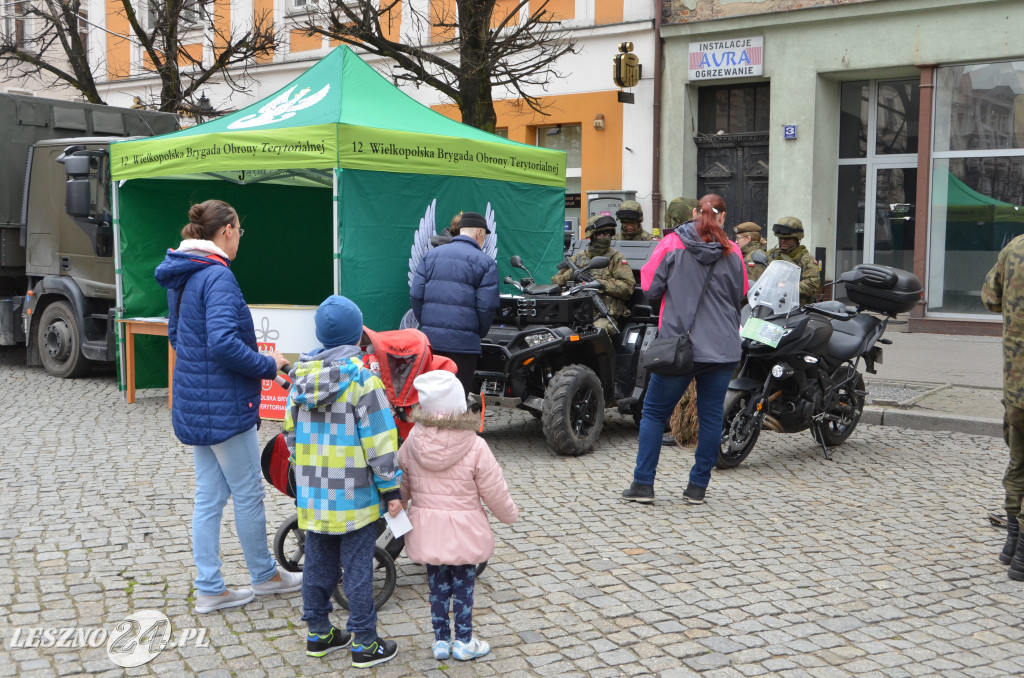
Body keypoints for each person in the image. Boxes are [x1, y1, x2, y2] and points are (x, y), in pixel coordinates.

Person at [154, 199, 301, 615]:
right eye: (240, 230)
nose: (240, 237)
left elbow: (178, 338)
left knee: (210, 495)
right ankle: (264, 576)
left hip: (197, 402)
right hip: (224, 405)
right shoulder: (217, 276)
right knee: (248, 492)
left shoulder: (185, 273)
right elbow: (222, 343)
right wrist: (267, 365)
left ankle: (210, 587)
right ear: (228, 231)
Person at [283, 295, 403, 667]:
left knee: (317, 565)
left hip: (314, 497)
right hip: (355, 498)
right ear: (357, 337)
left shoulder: (298, 382)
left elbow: (289, 436)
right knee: (357, 568)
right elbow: (380, 441)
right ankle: (365, 642)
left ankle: (319, 633)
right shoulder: (363, 382)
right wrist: (391, 488)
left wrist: (306, 474)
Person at [622, 194, 749, 505]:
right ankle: (697, 488)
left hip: (679, 345)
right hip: (721, 348)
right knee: (710, 418)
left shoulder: (671, 244)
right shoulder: (733, 251)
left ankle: (642, 485)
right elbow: (742, 293)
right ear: (722, 217)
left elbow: (650, 287)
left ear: (694, 213)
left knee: (653, 413)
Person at [397, 370, 518, 662]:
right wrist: (509, 515)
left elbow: (402, 483)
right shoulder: (475, 445)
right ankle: (463, 641)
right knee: (464, 588)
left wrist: (396, 509)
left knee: (437, 588)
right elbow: (494, 489)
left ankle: (440, 641)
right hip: (464, 531)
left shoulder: (413, 442)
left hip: (428, 530)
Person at [411, 211, 499, 397]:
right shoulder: (486, 263)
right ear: (479, 234)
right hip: (464, 346)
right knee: (456, 400)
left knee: (431, 397)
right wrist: (477, 332)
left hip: (431, 342)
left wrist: (428, 323)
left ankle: (429, 427)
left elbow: (416, 296)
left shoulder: (430, 256)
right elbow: (487, 307)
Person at [982, 238, 1024, 581]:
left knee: (1019, 460)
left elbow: (990, 298)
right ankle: (1022, 552)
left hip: (1016, 384)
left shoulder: (1014, 248)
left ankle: (1012, 542)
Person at [551, 215, 636, 336]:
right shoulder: (578, 258)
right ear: (593, 236)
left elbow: (627, 288)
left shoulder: (616, 258)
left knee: (595, 333)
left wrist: (600, 284)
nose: (606, 238)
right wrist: (570, 275)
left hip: (603, 315)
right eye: (602, 235)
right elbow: (555, 282)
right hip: (577, 312)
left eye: (608, 235)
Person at [766, 216, 820, 304]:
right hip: (772, 304)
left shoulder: (806, 259)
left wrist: (790, 287)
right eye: (780, 238)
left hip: (797, 308)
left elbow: (812, 284)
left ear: (796, 239)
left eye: (787, 238)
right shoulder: (772, 255)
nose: (782, 241)